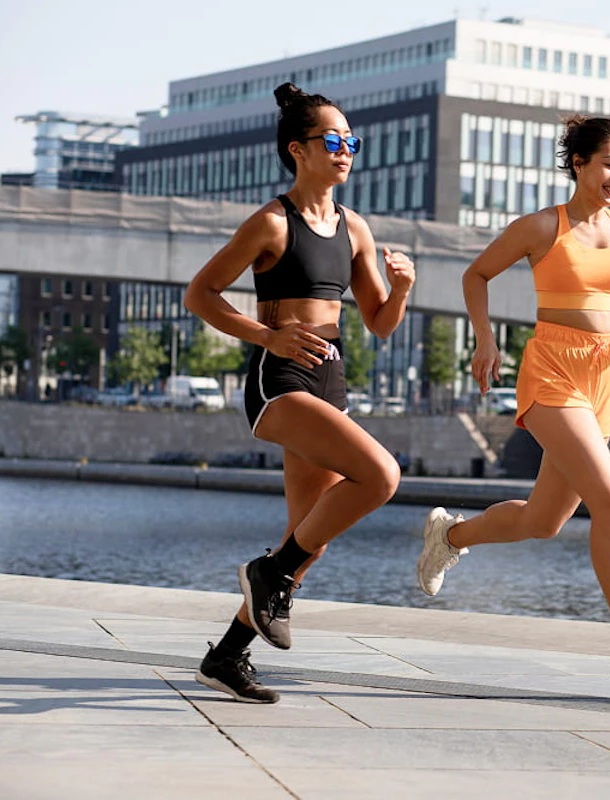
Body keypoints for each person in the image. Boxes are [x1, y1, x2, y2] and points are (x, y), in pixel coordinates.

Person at [416, 115, 610, 684]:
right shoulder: (543, 226)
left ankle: (449, 535)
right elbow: (476, 275)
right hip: (552, 374)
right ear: (580, 164)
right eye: (609, 164)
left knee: (544, 522)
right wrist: (486, 340)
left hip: (603, 378)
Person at [184, 83, 415, 703]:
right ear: (299, 149)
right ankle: (267, 574)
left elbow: (379, 322)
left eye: (351, 142)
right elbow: (200, 294)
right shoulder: (270, 222)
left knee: (304, 542)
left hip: (329, 378)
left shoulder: (355, 229)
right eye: (332, 141)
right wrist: (271, 337)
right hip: (278, 380)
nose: (345, 151)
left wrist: (401, 289)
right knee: (382, 475)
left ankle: (227, 656)